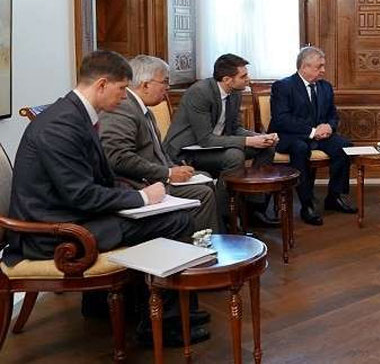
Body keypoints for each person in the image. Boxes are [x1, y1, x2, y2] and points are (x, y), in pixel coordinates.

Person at [3, 50, 208, 346]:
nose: (125, 96)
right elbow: (81, 194)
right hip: (54, 231)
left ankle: (131, 307)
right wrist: (141, 198)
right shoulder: (61, 125)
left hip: (69, 215)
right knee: (177, 221)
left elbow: (97, 179)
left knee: (168, 214)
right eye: (122, 88)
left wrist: (136, 194)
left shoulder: (73, 115)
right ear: (101, 84)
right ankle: (163, 324)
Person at [99, 55, 220, 232]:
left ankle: (210, 238)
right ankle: (199, 243)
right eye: (164, 81)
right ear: (145, 85)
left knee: (204, 178)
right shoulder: (123, 107)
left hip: (154, 176)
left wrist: (174, 168)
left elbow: (156, 151)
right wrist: (168, 173)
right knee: (202, 193)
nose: (168, 87)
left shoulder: (143, 108)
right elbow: (118, 158)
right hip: (139, 184)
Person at [163, 54, 278, 226]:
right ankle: (224, 216)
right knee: (234, 156)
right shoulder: (200, 92)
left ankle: (254, 210)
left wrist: (259, 138)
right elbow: (205, 140)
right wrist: (248, 141)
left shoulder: (235, 93)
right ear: (227, 80)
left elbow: (235, 128)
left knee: (266, 148)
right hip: (187, 151)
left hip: (215, 146)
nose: (248, 79)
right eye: (243, 76)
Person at [269, 46, 355, 226]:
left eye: (323, 66)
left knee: (344, 146)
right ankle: (306, 204)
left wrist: (329, 127)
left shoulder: (325, 87)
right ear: (304, 67)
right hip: (292, 136)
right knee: (300, 149)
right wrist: (312, 131)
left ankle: (334, 196)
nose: (323, 70)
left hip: (320, 135)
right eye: (319, 66)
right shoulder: (283, 86)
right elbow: (282, 119)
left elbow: (333, 115)